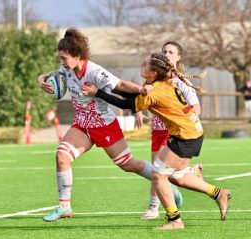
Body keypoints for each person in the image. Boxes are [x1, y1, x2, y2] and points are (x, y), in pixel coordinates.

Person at [37, 28, 182, 222]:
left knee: (128, 164)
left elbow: (120, 84)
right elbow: (50, 74)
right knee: (61, 156)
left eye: (64, 58)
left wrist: (141, 89)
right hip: (82, 124)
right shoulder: (66, 69)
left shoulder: (95, 71)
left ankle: (165, 183)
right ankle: (65, 206)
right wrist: (42, 80)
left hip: (104, 125)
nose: (61, 62)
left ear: (77, 56)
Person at [81, 53, 231, 230]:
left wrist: (98, 92)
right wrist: (106, 86)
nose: (141, 65)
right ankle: (218, 193)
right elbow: (129, 95)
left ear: (153, 73)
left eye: (145, 64)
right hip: (191, 133)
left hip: (186, 136)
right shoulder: (155, 84)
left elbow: (126, 105)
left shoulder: (155, 91)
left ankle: (175, 220)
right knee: (177, 177)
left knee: (158, 175)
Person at [135, 41, 205, 220]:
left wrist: (186, 123)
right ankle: (191, 173)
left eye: (171, 52)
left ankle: (153, 208)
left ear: (179, 57)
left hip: (173, 131)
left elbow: (196, 108)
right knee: (159, 171)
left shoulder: (181, 81)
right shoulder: (155, 77)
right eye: (164, 51)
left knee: (158, 171)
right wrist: (139, 113)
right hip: (157, 129)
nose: (167, 54)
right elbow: (144, 97)